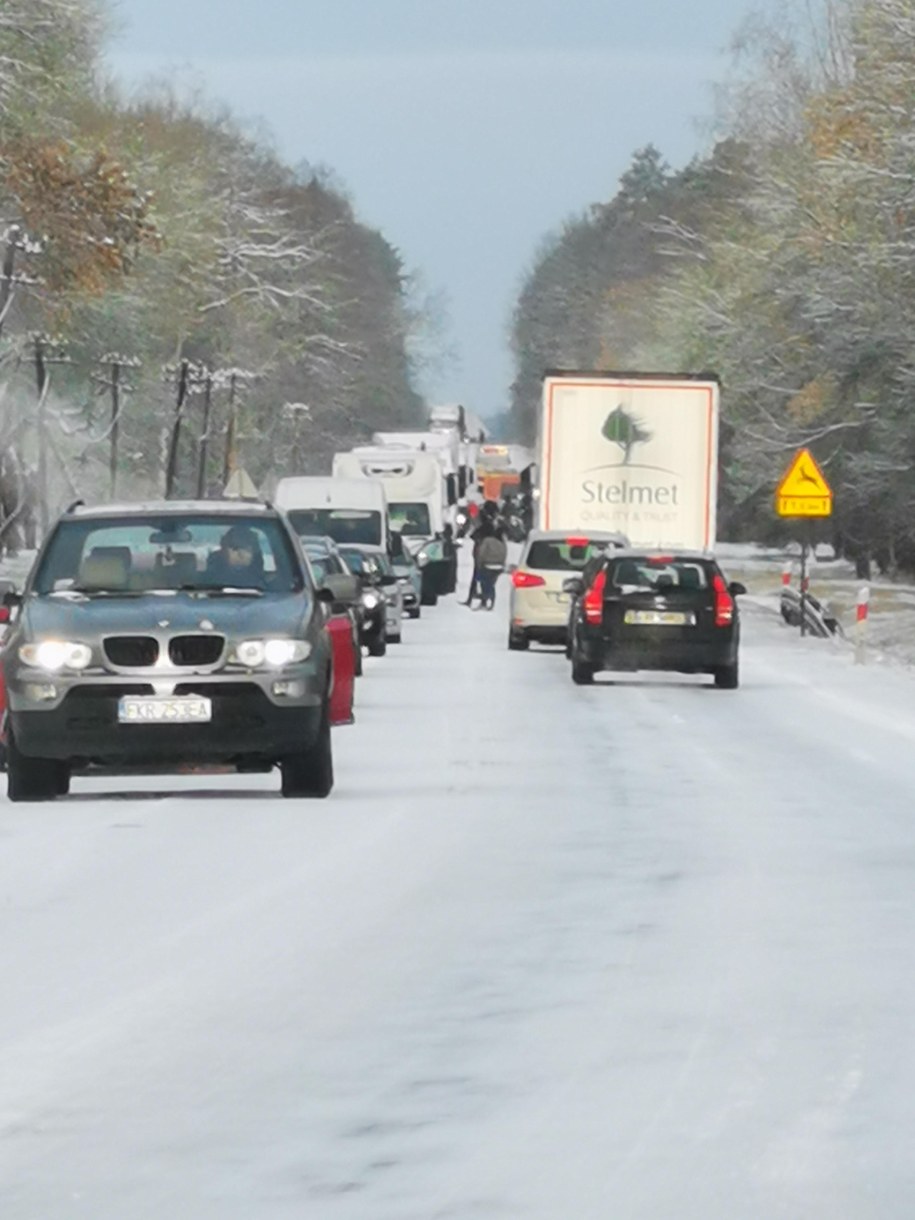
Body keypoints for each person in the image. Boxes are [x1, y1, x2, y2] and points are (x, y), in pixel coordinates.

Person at [475, 522, 507, 610]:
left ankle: (484, 602)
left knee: (484, 583)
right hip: (499, 566)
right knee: (491, 584)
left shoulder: (487, 540)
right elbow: (505, 555)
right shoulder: (502, 543)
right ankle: (492, 602)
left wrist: (479, 563)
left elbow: (481, 553)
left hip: (488, 565)